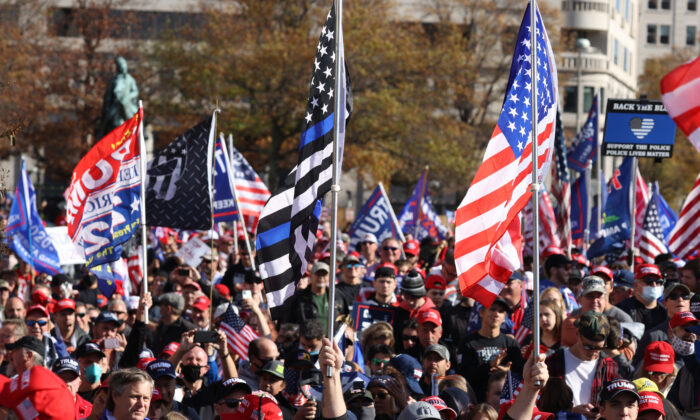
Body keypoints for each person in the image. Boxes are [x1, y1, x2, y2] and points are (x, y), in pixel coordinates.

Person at [546, 311, 619, 417]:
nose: (593, 352)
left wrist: (602, 414)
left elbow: (616, 405)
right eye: (588, 346)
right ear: (578, 334)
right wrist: (571, 412)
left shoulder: (609, 366)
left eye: (599, 348)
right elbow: (544, 407)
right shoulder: (553, 362)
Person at [459, 298, 524, 403]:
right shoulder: (468, 343)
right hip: (477, 402)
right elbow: (465, 376)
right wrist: (489, 365)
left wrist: (507, 372)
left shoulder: (511, 344)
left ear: (504, 317)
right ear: (481, 312)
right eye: (492, 309)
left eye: (501, 311)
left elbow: (521, 373)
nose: (496, 314)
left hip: (506, 403)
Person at [616, 264, 667, 330]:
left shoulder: (665, 311)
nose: (654, 285)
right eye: (649, 281)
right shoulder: (622, 309)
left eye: (658, 281)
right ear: (636, 285)